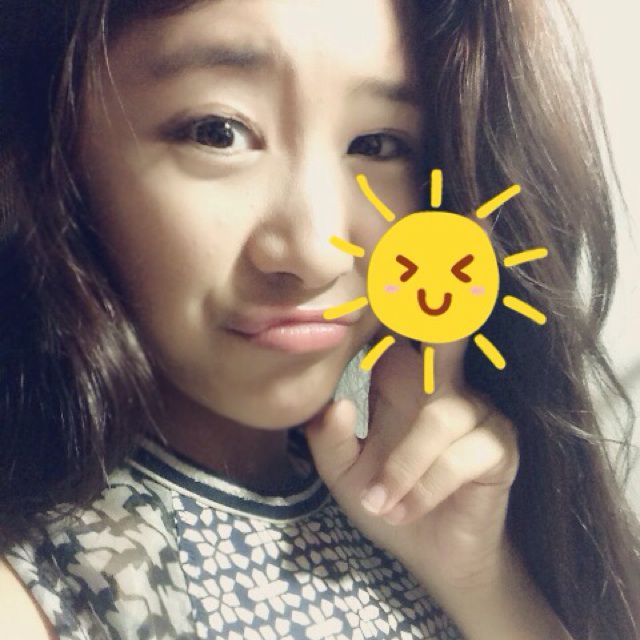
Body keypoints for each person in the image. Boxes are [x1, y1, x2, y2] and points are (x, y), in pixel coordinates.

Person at [0, 0, 638, 638]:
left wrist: (480, 581)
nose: (315, 252)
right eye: (217, 132)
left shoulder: (419, 515)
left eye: (377, 145)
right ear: (50, 155)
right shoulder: (45, 582)